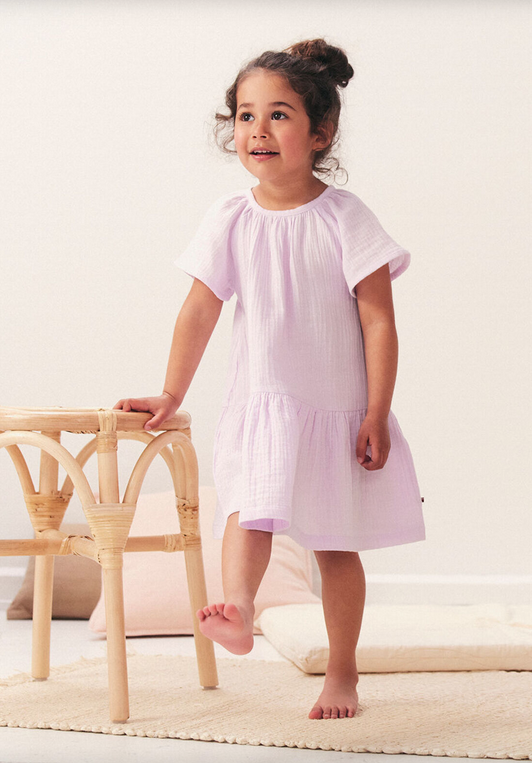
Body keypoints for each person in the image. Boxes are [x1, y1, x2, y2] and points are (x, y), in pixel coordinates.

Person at [115, 38, 426, 721]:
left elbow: (379, 320)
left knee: (334, 547)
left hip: (336, 410)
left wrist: (376, 412)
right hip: (261, 403)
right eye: (246, 115)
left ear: (321, 132)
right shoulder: (230, 217)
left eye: (279, 115)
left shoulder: (346, 217)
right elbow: (199, 310)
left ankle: (341, 670)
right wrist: (171, 393)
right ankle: (239, 607)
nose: (258, 129)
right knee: (247, 510)